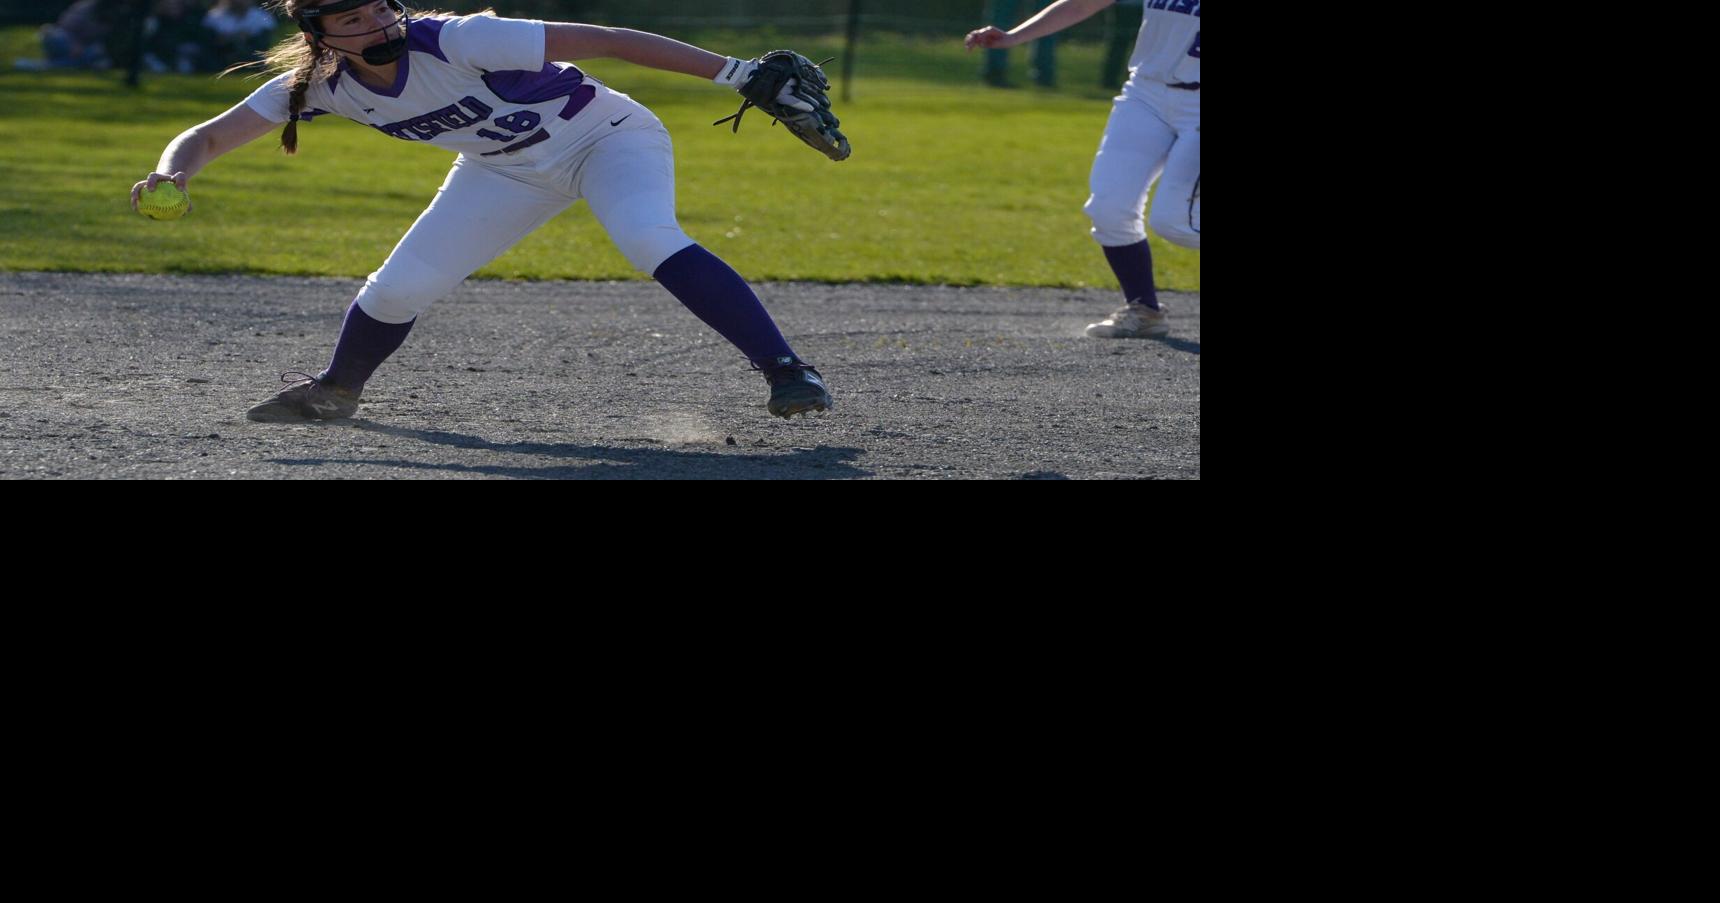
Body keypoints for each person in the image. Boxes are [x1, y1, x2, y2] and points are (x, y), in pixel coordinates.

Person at [131, 0, 835, 423]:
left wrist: (737, 73)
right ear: (321, 36)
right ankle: (335, 391)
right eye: (352, 17)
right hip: (504, 169)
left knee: (648, 237)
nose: (376, 21)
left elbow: (610, 40)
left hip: (606, 138)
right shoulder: (320, 85)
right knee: (397, 290)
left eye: (379, 6)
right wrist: (171, 173)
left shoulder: (456, 38)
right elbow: (209, 136)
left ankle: (786, 370)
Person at [967, 0, 1199, 339]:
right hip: (1146, 94)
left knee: (1175, 222)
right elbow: (1082, 3)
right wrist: (1013, 37)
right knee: (1109, 207)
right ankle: (1144, 310)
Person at [143, 0, 214, 75]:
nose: (174, 9)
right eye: (171, 6)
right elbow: (151, 45)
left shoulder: (188, 19)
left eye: (176, 6)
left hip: (180, 55)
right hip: (157, 55)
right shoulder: (156, 22)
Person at [203, 0, 278, 67]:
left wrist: (248, 38)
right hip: (221, 53)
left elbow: (266, 38)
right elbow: (208, 38)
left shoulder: (261, 16)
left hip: (251, 51)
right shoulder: (214, 16)